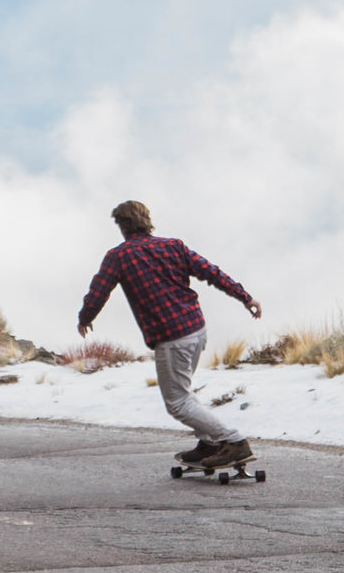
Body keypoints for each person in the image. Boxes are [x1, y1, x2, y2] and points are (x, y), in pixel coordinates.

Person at [78, 200, 262, 469]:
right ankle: (209, 443)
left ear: (122, 225)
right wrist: (245, 297)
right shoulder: (173, 246)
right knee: (184, 393)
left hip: (171, 338)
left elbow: (98, 291)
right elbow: (212, 273)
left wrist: (85, 318)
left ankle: (234, 442)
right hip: (196, 329)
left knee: (177, 402)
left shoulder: (118, 256)